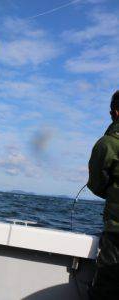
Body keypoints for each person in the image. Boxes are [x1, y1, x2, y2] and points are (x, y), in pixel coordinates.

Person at [87, 90, 119, 300]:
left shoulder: (106, 144)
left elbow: (97, 185)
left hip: (116, 233)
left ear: (115, 112)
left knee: (106, 290)